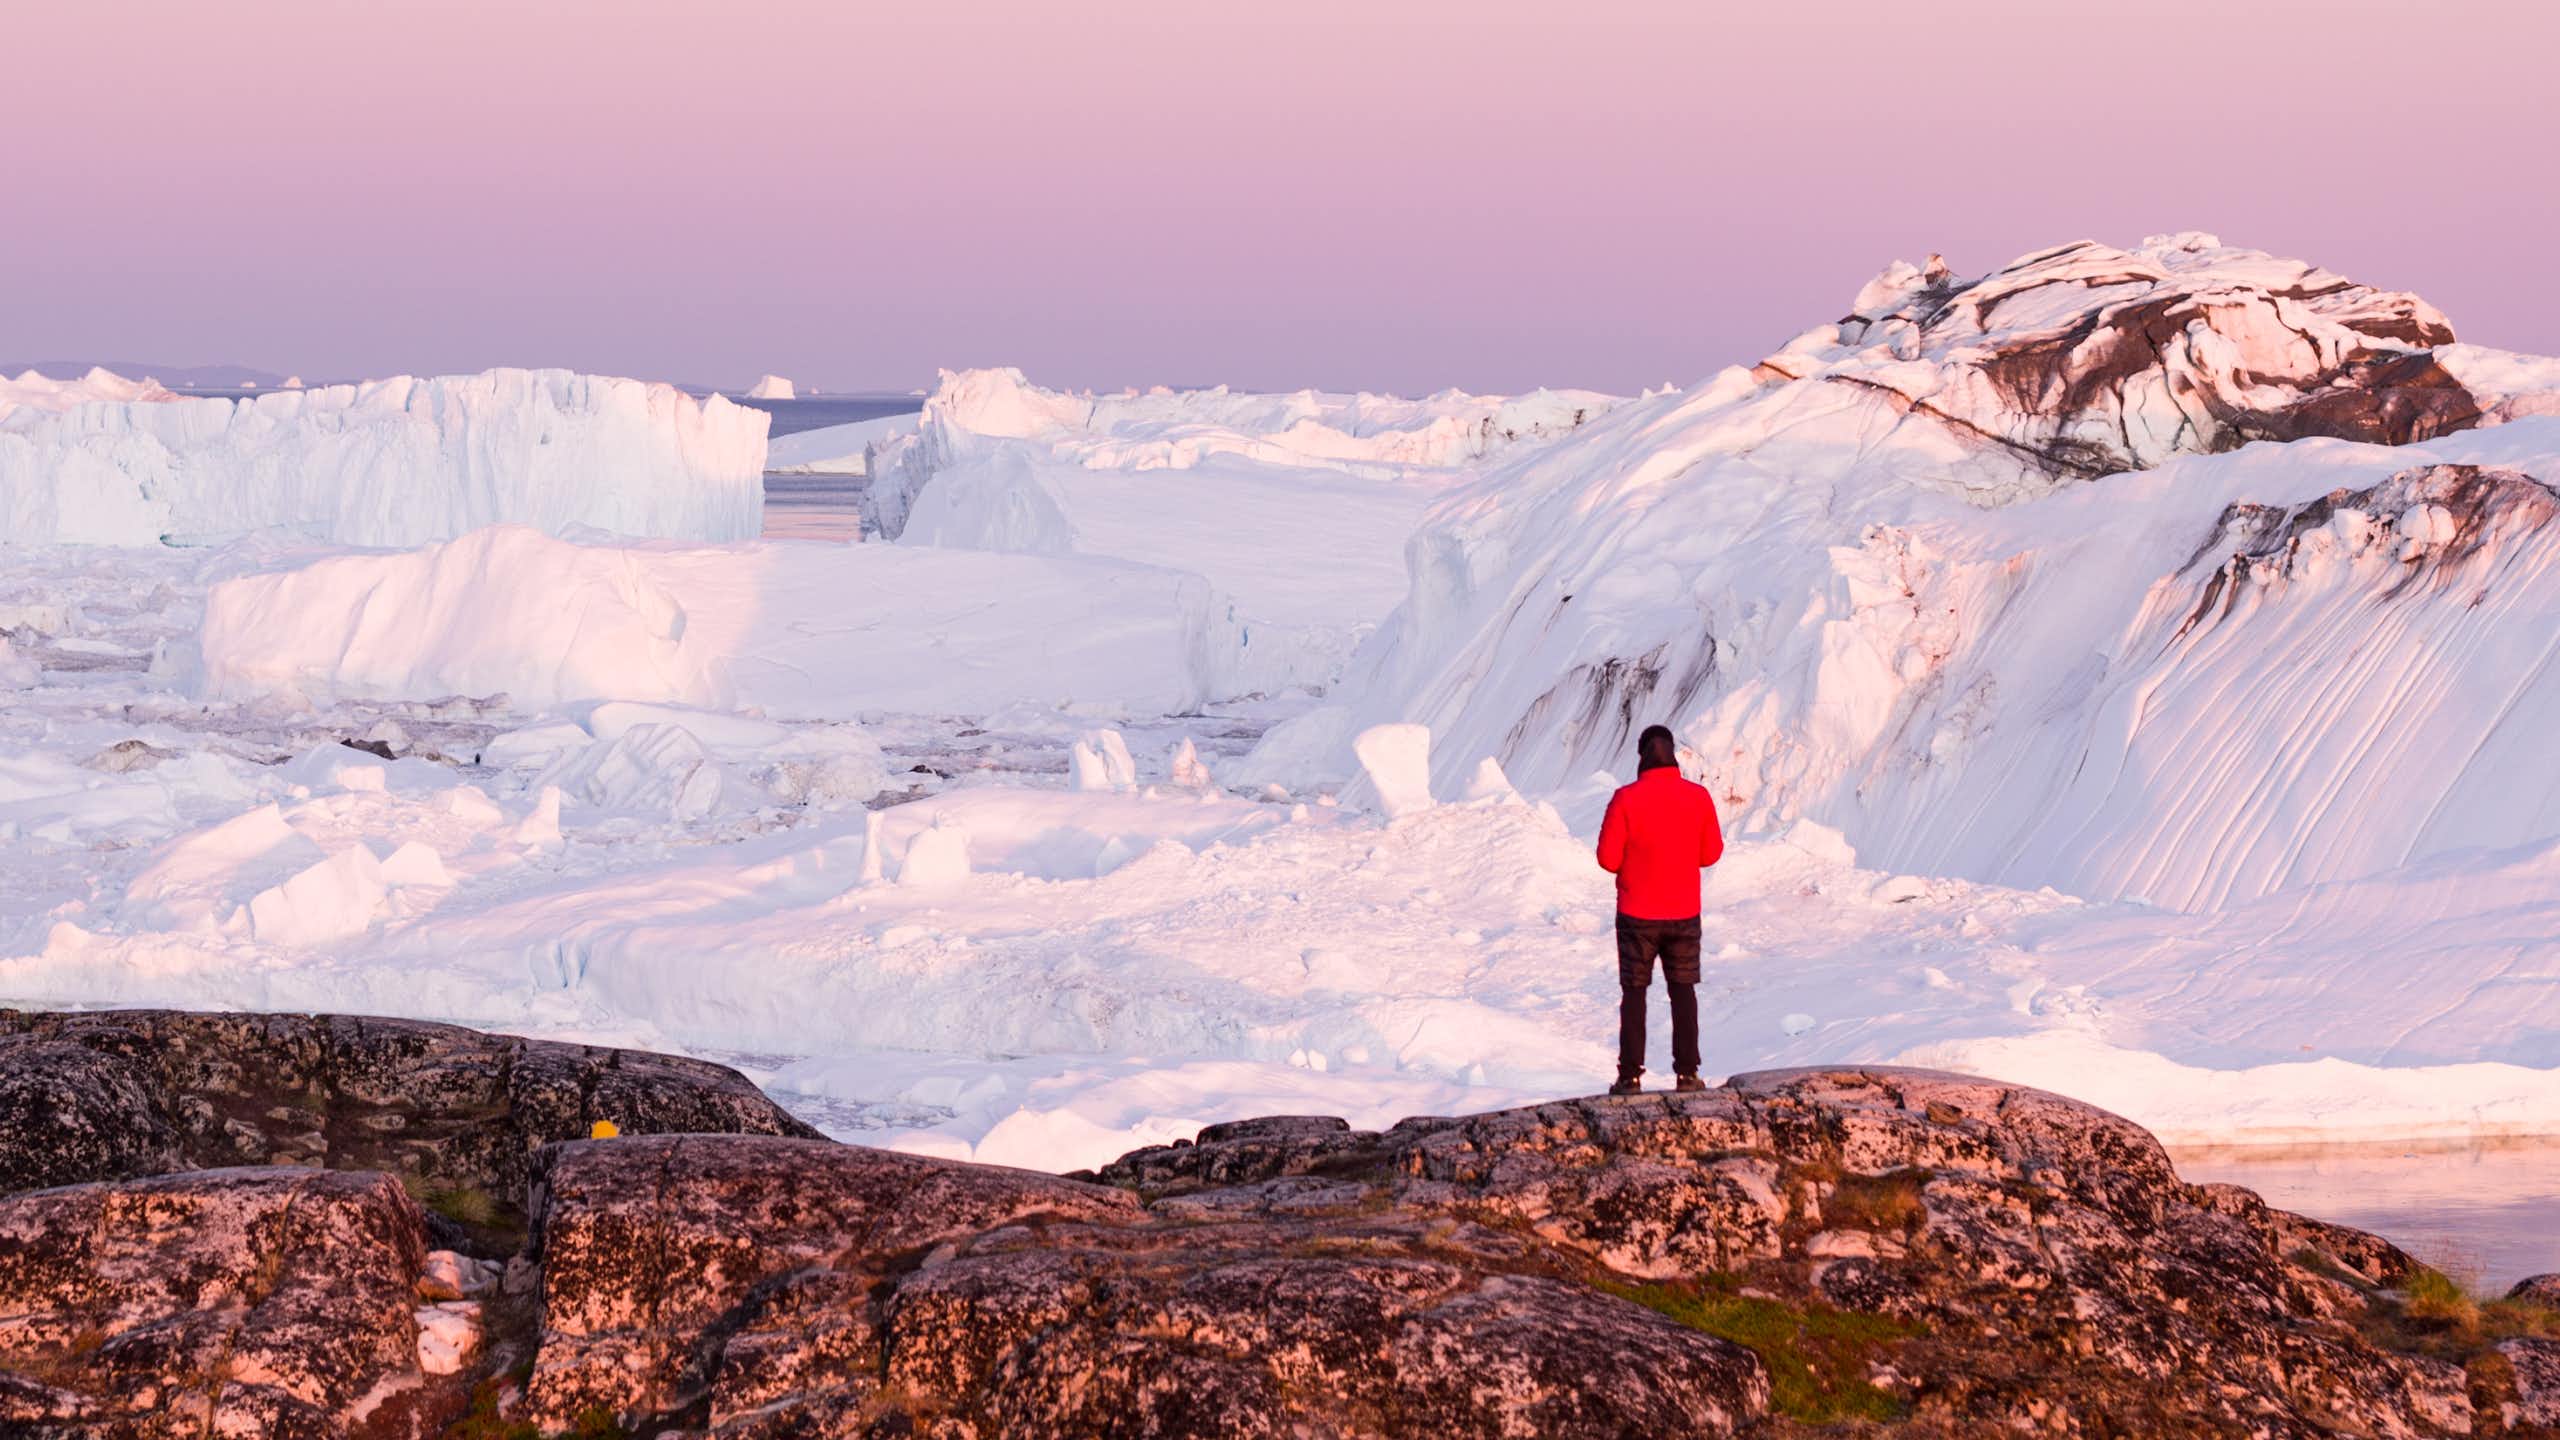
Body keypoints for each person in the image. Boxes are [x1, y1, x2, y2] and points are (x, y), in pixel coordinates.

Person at [1594, 724, 1724, 1095]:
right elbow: (1710, 853)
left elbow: (1607, 858)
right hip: (1683, 912)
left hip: (1637, 916)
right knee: (1683, 991)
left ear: (1642, 757)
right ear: (1674, 757)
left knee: (1634, 994)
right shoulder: (1697, 797)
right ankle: (1687, 1074)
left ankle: (1630, 1076)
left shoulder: (1625, 799)